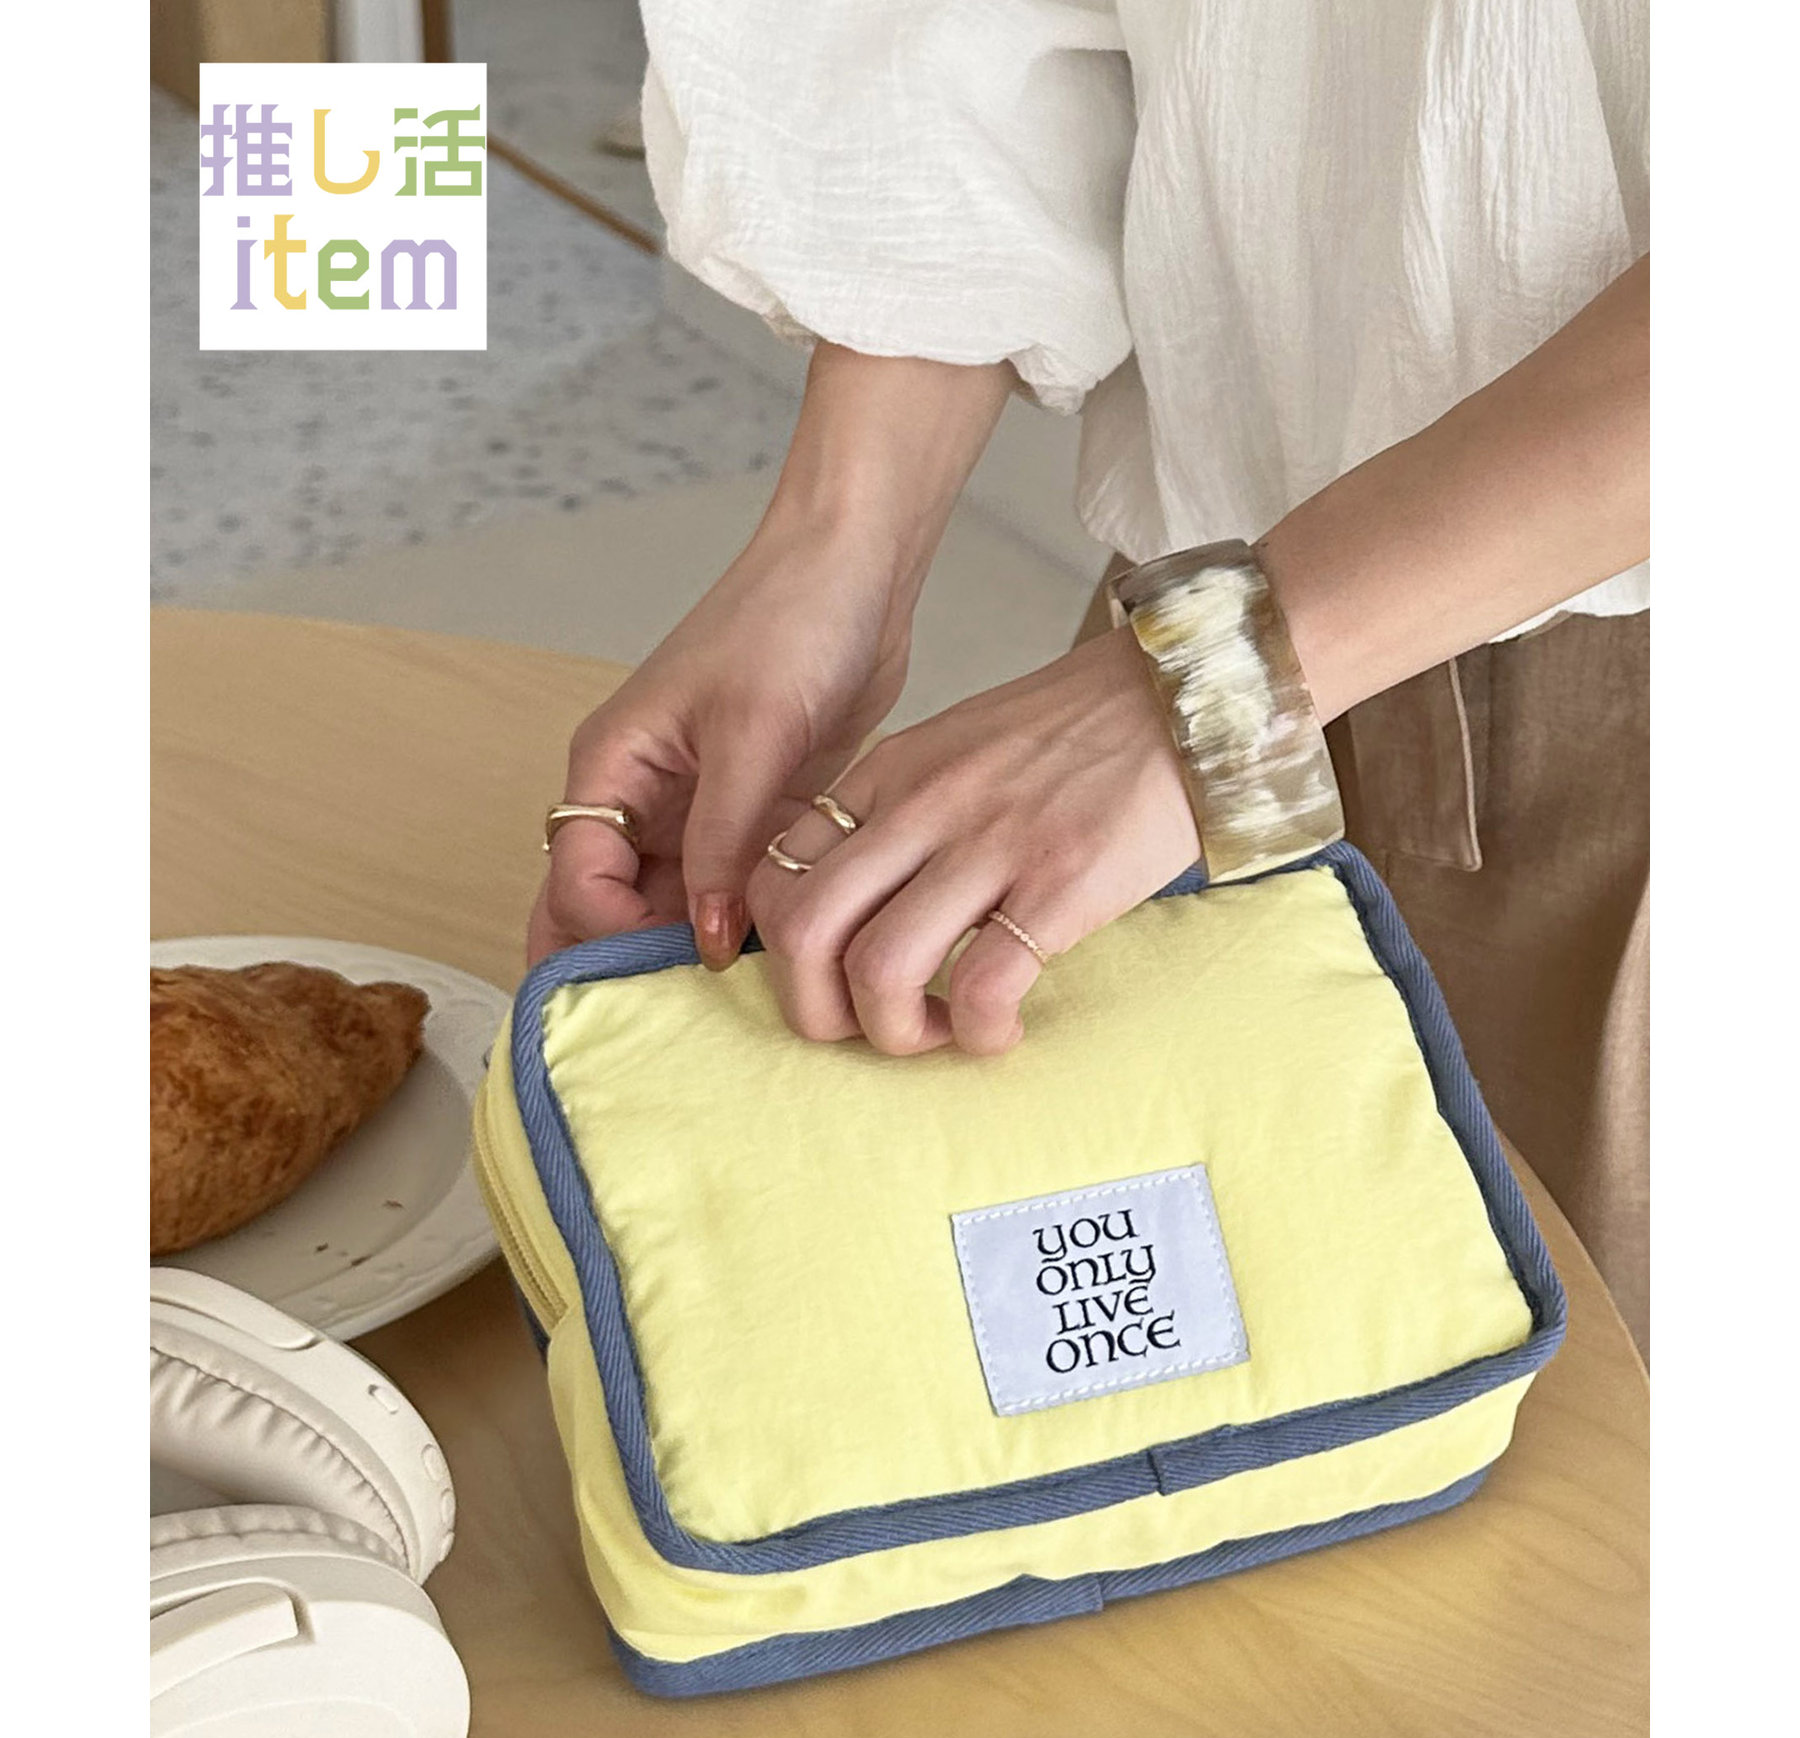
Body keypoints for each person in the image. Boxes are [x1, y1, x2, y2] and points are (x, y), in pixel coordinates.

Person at [528, 2, 1650, 1351]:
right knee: (1037, 1375)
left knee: (1609, 1436)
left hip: (1627, 728)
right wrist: (841, 547)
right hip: (1176, 652)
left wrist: (1212, 684)